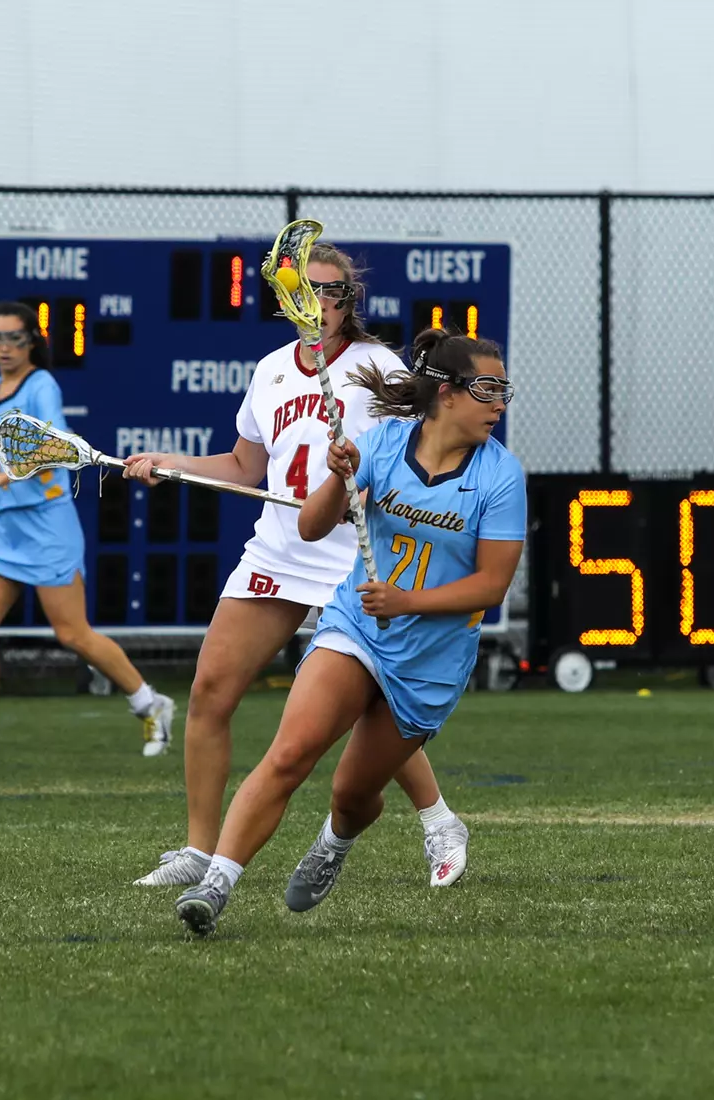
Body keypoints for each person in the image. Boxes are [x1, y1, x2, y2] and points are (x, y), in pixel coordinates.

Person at [121, 244, 471, 890]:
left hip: (351, 554)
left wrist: (366, 487)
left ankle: (440, 821)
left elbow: (420, 451)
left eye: (333, 293)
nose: (320, 304)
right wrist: (170, 463)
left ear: (348, 301)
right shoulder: (271, 371)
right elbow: (243, 468)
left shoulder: (377, 366)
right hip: (279, 552)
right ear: (288, 300)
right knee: (209, 693)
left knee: (376, 706)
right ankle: (199, 850)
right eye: (307, 291)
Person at [175, 329, 523, 937]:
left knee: (352, 795)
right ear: (446, 393)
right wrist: (339, 479)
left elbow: (492, 586)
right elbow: (311, 526)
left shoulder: (501, 476)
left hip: (430, 661)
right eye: (488, 390)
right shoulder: (384, 444)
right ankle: (216, 885)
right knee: (289, 754)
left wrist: (407, 600)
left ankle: (334, 842)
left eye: (503, 391)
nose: (500, 404)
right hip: (357, 628)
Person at [0, 302, 175, 756]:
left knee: (72, 633)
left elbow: (51, 448)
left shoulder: (42, 385)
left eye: (14, 339)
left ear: (32, 341)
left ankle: (151, 704)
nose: (4, 348)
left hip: (47, 523)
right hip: (4, 527)